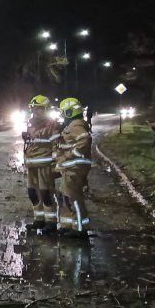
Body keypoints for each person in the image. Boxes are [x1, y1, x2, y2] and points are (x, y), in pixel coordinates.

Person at [54, 97, 94, 239]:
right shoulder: (72, 125)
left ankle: (80, 229)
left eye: (63, 112)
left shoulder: (76, 126)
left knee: (73, 198)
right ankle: (67, 225)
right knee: (65, 197)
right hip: (70, 168)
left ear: (70, 112)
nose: (62, 115)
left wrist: (69, 155)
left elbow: (85, 140)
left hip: (75, 168)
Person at [22, 95, 60, 232]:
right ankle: (39, 219)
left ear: (45, 109)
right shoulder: (30, 123)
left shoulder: (52, 124)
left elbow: (57, 144)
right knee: (32, 193)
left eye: (38, 109)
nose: (35, 112)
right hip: (32, 163)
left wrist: (55, 163)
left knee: (46, 193)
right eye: (33, 109)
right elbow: (31, 144)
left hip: (45, 163)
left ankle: (51, 222)